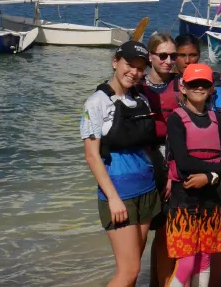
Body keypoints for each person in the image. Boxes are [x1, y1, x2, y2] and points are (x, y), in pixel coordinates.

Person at [81, 40, 161, 287]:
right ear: (115, 62)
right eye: (129, 65)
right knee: (128, 270)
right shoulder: (97, 102)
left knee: (134, 268)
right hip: (119, 193)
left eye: (140, 67)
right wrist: (113, 198)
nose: (134, 72)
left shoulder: (142, 100)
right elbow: (92, 156)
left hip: (146, 190)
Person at [164, 62, 221, 287]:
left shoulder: (218, 120)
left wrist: (209, 177)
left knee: (205, 257)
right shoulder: (176, 119)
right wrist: (218, 170)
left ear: (211, 88)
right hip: (184, 200)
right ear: (183, 87)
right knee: (186, 261)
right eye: (193, 83)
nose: (198, 87)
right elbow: (184, 163)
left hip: (212, 198)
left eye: (204, 83)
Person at [138, 32, 181, 287]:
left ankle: (161, 283)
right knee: (139, 236)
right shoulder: (137, 86)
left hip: (172, 160)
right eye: (162, 55)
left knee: (166, 234)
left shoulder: (181, 85)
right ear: (150, 56)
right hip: (144, 160)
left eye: (172, 56)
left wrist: (173, 172)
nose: (168, 61)